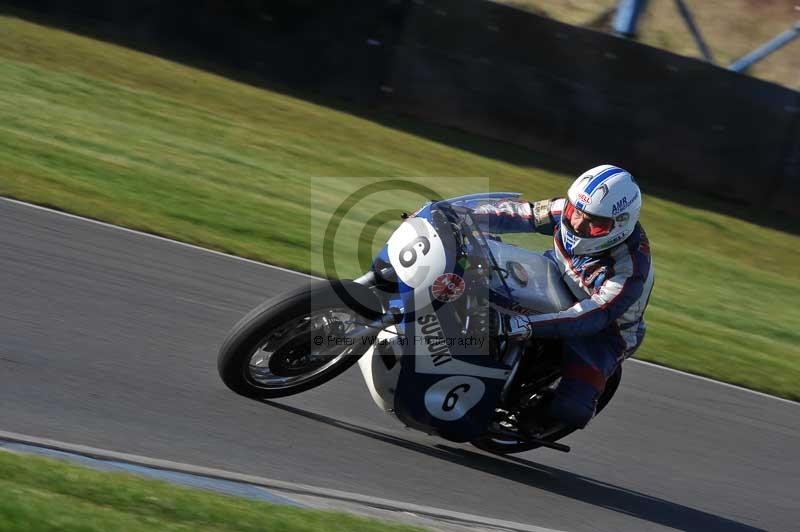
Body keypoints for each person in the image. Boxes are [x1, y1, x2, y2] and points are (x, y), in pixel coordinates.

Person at [472, 164, 654, 432]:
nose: (578, 223)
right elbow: (524, 213)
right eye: (576, 212)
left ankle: (526, 419)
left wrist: (526, 325)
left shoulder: (629, 268)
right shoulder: (567, 212)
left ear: (620, 224)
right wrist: (460, 216)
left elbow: (592, 316)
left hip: (603, 330)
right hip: (557, 274)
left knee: (571, 410)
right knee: (483, 266)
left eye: (594, 224)